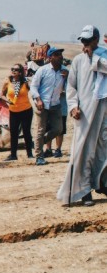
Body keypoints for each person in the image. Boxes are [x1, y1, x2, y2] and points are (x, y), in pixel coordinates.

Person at [57, 25, 107, 206]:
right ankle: (84, 190)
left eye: (88, 41)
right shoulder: (78, 61)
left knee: (104, 149)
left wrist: (95, 57)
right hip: (85, 113)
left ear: (96, 40)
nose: (85, 44)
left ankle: (103, 184)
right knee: (83, 151)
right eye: (83, 41)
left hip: (104, 111)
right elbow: (71, 86)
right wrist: (73, 106)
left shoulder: (103, 55)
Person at [29, 47, 66, 165]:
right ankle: (39, 156)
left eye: (60, 54)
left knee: (58, 129)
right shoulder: (43, 70)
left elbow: (70, 86)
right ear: (50, 58)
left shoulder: (64, 71)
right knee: (40, 130)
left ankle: (41, 142)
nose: (60, 56)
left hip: (55, 104)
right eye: (57, 54)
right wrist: (38, 99)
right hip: (42, 104)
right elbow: (33, 86)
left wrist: (67, 76)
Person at [0, 63, 33, 161]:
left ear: (20, 72)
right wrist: (7, 100)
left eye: (16, 70)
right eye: (12, 69)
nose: (13, 71)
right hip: (14, 111)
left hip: (26, 110)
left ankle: (29, 154)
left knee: (26, 132)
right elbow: (2, 94)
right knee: (13, 133)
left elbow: (34, 90)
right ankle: (13, 155)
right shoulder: (8, 81)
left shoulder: (25, 82)